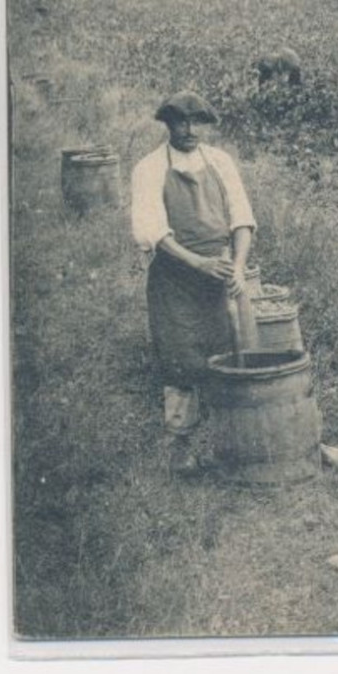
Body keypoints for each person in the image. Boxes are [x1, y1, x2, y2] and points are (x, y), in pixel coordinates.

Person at [130, 92, 257, 475]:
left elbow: (242, 220)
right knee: (181, 357)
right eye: (181, 122)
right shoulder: (149, 168)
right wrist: (198, 263)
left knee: (233, 351)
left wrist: (236, 266)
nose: (190, 130)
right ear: (167, 124)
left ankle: (232, 440)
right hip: (176, 276)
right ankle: (181, 444)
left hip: (221, 273)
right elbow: (154, 233)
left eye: (198, 122)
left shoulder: (220, 163)